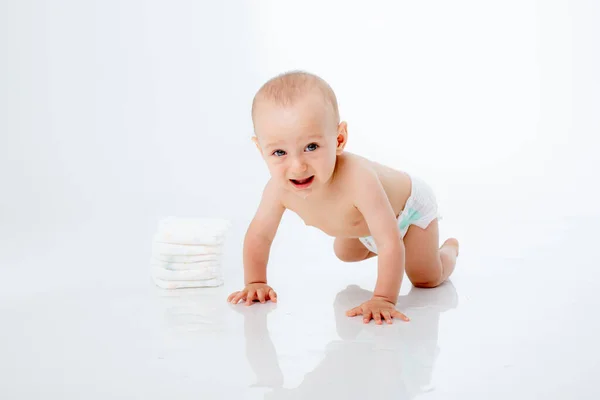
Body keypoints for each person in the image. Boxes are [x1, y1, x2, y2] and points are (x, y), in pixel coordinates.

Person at [227, 71, 459, 324]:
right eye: (279, 152)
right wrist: (255, 282)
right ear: (261, 150)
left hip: (409, 209)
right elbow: (259, 236)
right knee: (346, 253)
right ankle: (396, 251)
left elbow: (390, 241)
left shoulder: (359, 179)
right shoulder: (277, 190)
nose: (297, 166)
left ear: (339, 139)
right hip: (368, 224)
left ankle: (448, 251)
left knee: (425, 277)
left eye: (311, 147)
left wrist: (383, 298)